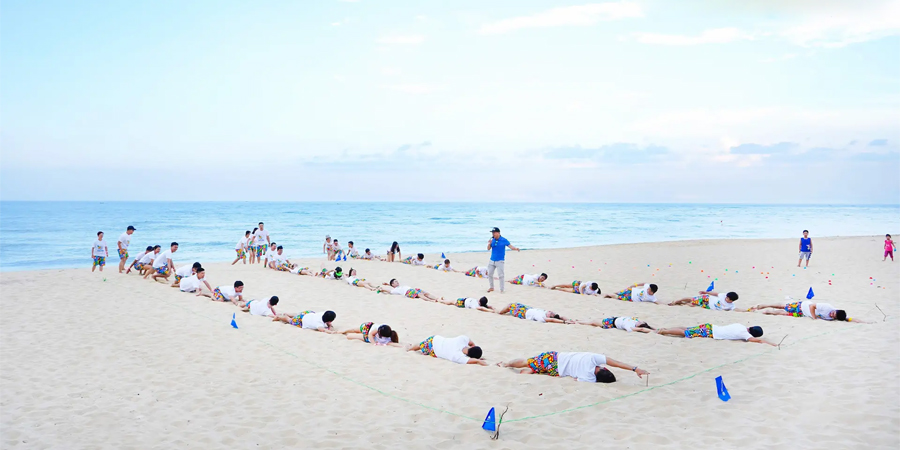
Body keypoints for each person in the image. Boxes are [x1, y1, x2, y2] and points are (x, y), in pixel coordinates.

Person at [497, 351, 648, 382]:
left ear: (604, 368)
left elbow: (616, 362)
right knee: (534, 369)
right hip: (556, 371)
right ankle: (527, 372)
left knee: (528, 361)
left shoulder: (593, 358)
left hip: (555, 358)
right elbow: (576, 380)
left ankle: (506, 364)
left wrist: (635, 369)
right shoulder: (589, 378)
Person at [656, 323, 776, 345]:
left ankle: (667, 328)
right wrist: (768, 343)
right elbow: (755, 340)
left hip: (711, 326)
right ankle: (664, 331)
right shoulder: (744, 334)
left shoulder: (740, 326)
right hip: (711, 332)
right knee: (686, 333)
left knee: (689, 328)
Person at [748, 299, 864, 322]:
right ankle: (763, 305)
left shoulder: (836, 317)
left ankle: (765, 312)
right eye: (833, 313)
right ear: (835, 310)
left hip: (802, 314)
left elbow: (849, 319)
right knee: (783, 306)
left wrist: (864, 322)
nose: (832, 315)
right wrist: (814, 318)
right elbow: (812, 306)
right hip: (803, 306)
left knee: (783, 313)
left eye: (834, 316)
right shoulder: (828, 307)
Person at [406, 335, 487, 365]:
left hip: (436, 339)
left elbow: (471, 343)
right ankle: (409, 349)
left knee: (421, 345)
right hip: (434, 350)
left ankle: (411, 348)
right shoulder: (458, 356)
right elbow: (471, 361)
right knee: (421, 346)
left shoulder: (463, 339)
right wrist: (478, 360)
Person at [486, 227, 520, 293]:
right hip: (492, 260)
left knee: (501, 275)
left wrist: (516, 248)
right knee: (490, 274)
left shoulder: (503, 240)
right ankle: (491, 287)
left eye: (494, 233)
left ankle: (502, 289)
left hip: (500, 260)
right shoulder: (492, 240)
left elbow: (510, 246)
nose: (493, 234)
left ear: (498, 233)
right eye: (492, 233)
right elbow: (488, 248)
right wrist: (489, 243)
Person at [495, 303, 571, 324]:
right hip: (528, 308)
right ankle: (495, 310)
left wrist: (564, 322)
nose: (550, 312)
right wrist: (569, 320)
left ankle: (497, 311)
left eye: (551, 314)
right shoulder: (546, 313)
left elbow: (553, 320)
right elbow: (560, 316)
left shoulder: (543, 318)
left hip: (524, 313)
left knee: (510, 306)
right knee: (513, 304)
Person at [375, 279, 443, 301]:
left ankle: (436, 298)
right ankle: (431, 300)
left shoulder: (399, 286)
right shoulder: (395, 290)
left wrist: (387, 284)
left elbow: (391, 285)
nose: (397, 282)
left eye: (397, 281)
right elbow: (389, 291)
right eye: (395, 282)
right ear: (393, 284)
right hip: (408, 292)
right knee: (420, 294)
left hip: (412, 289)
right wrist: (382, 289)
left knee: (425, 293)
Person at [669, 290, 737, 311]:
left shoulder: (730, 305)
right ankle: (677, 301)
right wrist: (706, 292)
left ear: (731, 301)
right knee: (692, 299)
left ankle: (682, 303)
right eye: (726, 297)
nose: (726, 299)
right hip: (707, 299)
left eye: (728, 299)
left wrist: (744, 311)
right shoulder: (723, 295)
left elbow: (736, 309)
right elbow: (715, 294)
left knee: (692, 305)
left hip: (708, 306)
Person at [575, 317, 655, 333]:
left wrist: (653, 331)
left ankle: (577, 322)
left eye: (640, 323)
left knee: (592, 322)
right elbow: (645, 325)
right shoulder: (635, 321)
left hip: (610, 324)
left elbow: (642, 329)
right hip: (612, 319)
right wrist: (654, 328)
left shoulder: (630, 326)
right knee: (593, 321)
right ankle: (579, 321)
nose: (639, 321)